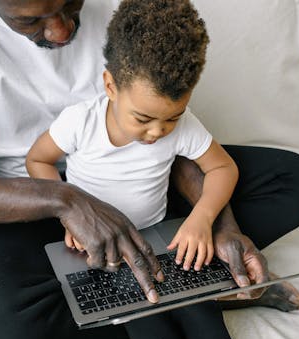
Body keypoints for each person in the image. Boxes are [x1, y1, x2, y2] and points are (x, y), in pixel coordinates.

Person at [0, 0, 299, 339]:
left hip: (145, 177)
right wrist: (67, 201)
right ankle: (195, 289)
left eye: (71, 5)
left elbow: (165, 136)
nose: (61, 31)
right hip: (30, 198)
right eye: (31, 20)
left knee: (290, 181)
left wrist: (219, 222)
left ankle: (176, 280)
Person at [26, 1, 239, 272]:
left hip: (154, 237)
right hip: (90, 240)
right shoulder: (81, 121)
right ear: (110, 86)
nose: (158, 131)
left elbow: (223, 167)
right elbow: (38, 159)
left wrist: (202, 218)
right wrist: (69, 217)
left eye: (173, 117)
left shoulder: (184, 125)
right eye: (142, 119)